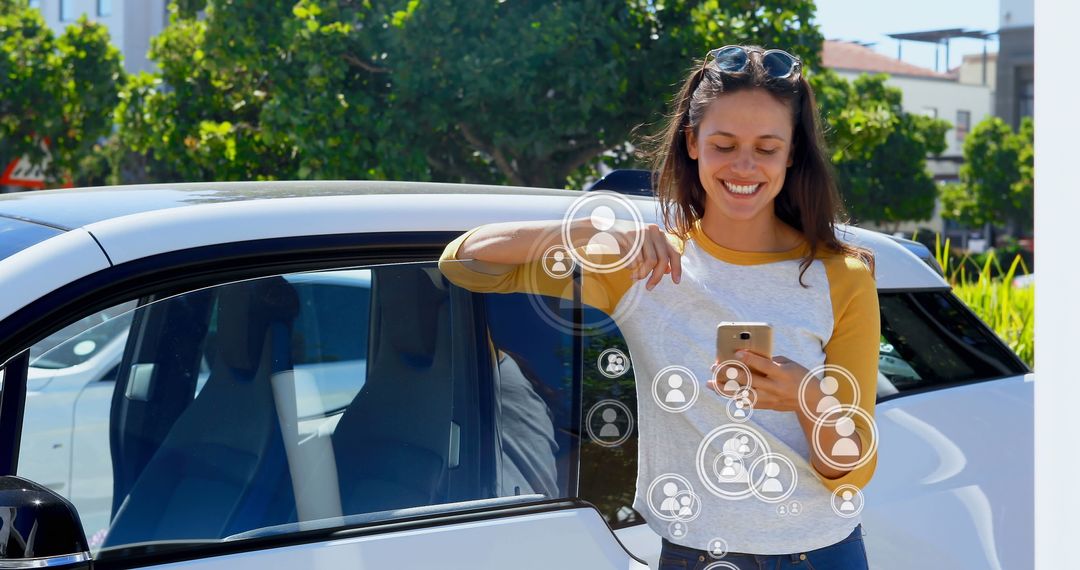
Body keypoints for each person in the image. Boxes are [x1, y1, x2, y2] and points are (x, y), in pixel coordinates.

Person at [438, 44, 880, 569]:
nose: (744, 165)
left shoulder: (841, 277)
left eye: (767, 148)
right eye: (724, 144)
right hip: (694, 554)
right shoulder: (641, 262)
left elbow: (852, 471)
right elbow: (464, 262)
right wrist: (589, 230)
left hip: (821, 554)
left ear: (792, 153)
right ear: (692, 142)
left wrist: (808, 399)